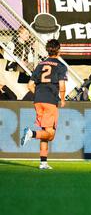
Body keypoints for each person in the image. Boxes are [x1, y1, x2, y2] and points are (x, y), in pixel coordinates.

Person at [20, 39, 67, 170]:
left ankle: (43, 162)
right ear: (58, 49)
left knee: (45, 132)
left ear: (47, 50)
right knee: (51, 134)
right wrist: (62, 99)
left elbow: (30, 85)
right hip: (50, 101)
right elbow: (62, 85)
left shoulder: (40, 65)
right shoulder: (61, 66)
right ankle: (31, 134)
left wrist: (39, 95)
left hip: (38, 100)